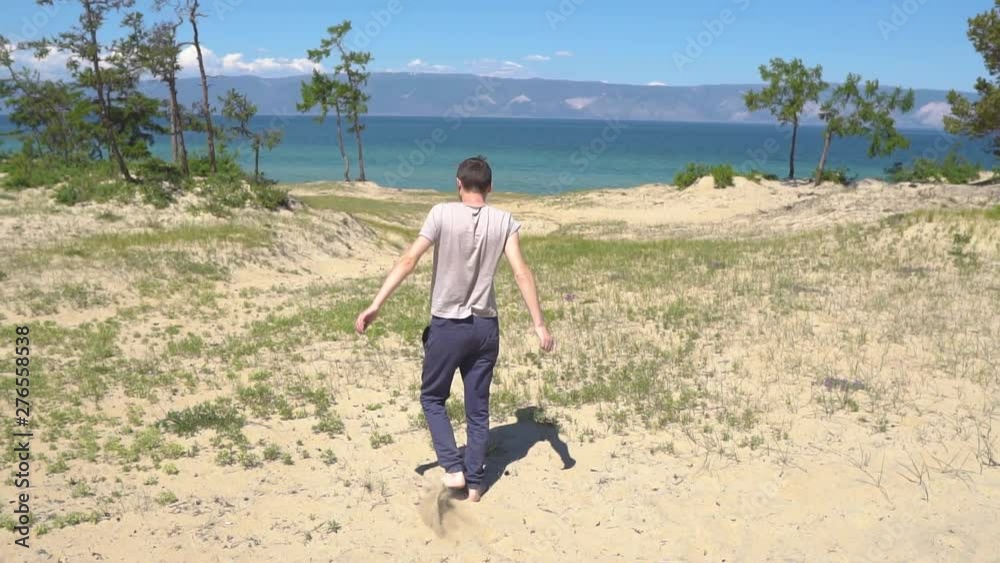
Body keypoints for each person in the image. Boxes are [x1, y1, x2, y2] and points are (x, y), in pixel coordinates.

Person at [354, 156, 555, 502]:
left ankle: (452, 467)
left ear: (458, 184)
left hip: (448, 327)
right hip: (485, 328)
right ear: (490, 187)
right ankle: (476, 484)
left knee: (432, 398)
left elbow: (409, 260)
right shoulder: (504, 220)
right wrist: (539, 324)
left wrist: (376, 304)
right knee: (478, 409)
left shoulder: (441, 213)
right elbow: (521, 272)